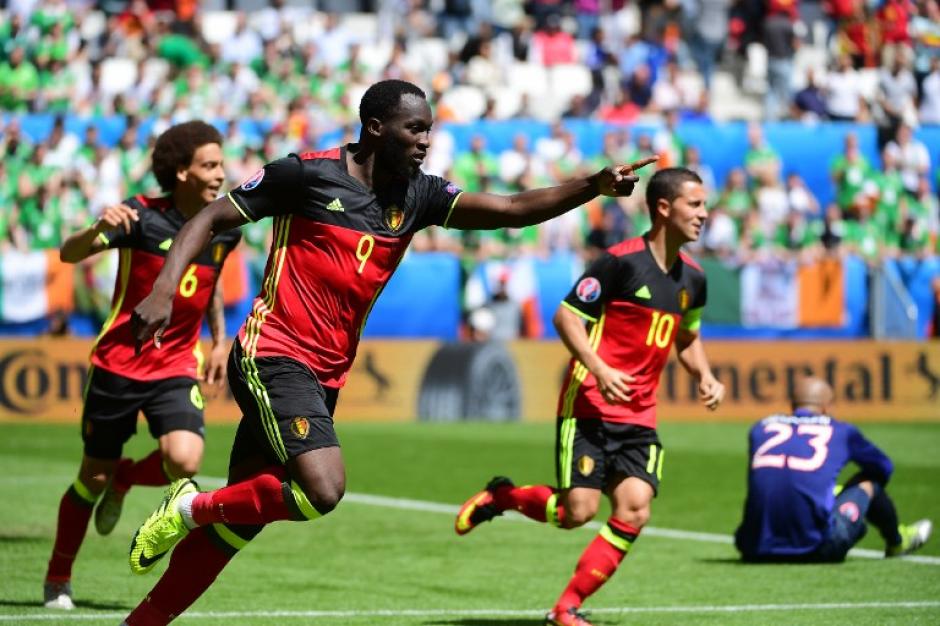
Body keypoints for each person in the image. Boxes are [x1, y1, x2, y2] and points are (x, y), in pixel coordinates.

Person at [119, 79, 657, 626]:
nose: (425, 139)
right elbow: (209, 218)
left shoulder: (418, 195)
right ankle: (188, 505)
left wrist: (592, 185)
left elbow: (511, 208)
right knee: (323, 489)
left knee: (237, 525)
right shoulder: (305, 175)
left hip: (327, 374)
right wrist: (163, 291)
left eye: (429, 129)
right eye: (414, 128)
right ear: (376, 128)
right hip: (273, 352)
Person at [455, 167, 725, 626]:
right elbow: (566, 317)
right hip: (590, 405)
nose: (704, 214)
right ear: (664, 208)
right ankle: (503, 496)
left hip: (640, 414)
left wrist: (705, 375)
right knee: (575, 512)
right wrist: (599, 369)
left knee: (635, 510)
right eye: (695, 204)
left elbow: (687, 337)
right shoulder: (620, 262)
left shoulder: (694, 280)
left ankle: (566, 608)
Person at [43, 121, 239, 610]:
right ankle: (58, 577)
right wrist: (97, 229)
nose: (220, 174)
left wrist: (219, 341)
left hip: (176, 364)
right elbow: (68, 254)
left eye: (220, 164)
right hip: (119, 363)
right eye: (210, 165)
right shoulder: (139, 217)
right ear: (182, 172)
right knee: (92, 476)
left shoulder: (224, 227)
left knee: (186, 460)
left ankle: (126, 478)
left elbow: (210, 283)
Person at [734, 377, 932, 563]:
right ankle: (897, 542)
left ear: (792, 404)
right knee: (869, 483)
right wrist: (841, 495)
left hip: (753, 547)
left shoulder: (760, 428)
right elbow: (884, 468)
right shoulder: (841, 431)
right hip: (819, 548)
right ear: (827, 406)